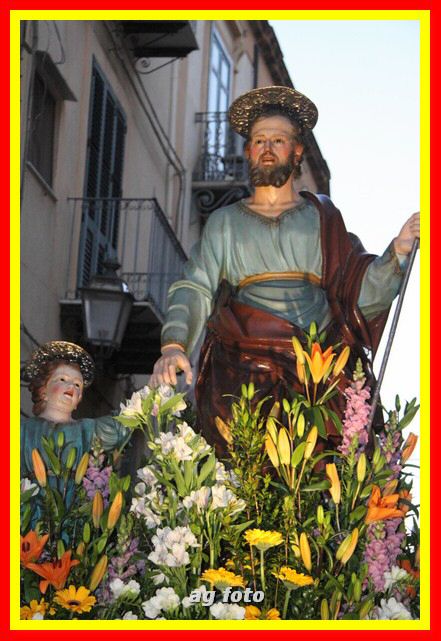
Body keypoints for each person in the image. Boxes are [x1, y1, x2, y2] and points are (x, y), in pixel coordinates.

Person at [150, 86, 420, 456]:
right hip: (243, 365)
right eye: (259, 140)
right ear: (248, 151)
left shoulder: (322, 218)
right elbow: (195, 287)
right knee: (243, 461)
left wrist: (397, 252)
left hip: (317, 365)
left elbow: (357, 295)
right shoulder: (225, 222)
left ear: (296, 151)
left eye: (278, 140)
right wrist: (174, 344)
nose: (267, 147)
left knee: (324, 463)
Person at [21, 341, 128, 483]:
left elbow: (127, 423)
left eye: (77, 384)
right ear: (43, 390)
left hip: (73, 495)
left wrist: (153, 387)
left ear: (79, 399)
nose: (71, 386)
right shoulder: (23, 429)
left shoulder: (89, 430)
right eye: (62, 379)